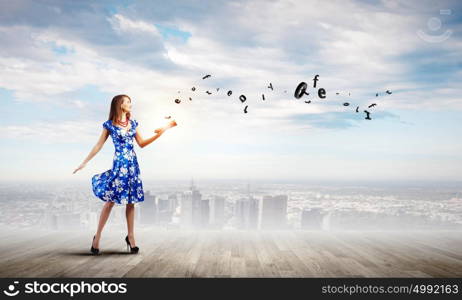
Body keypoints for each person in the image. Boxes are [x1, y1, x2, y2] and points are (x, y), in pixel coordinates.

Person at [72, 94, 177, 255]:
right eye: (127, 102)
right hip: (119, 166)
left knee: (131, 201)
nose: (130, 104)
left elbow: (141, 144)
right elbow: (98, 145)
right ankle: (97, 237)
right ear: (119, 105)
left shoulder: (133, 123)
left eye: (130, 102)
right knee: (110, 201)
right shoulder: (110, 125)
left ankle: (131, 236)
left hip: (132, 166)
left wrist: (161, 133)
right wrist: (84, 162)